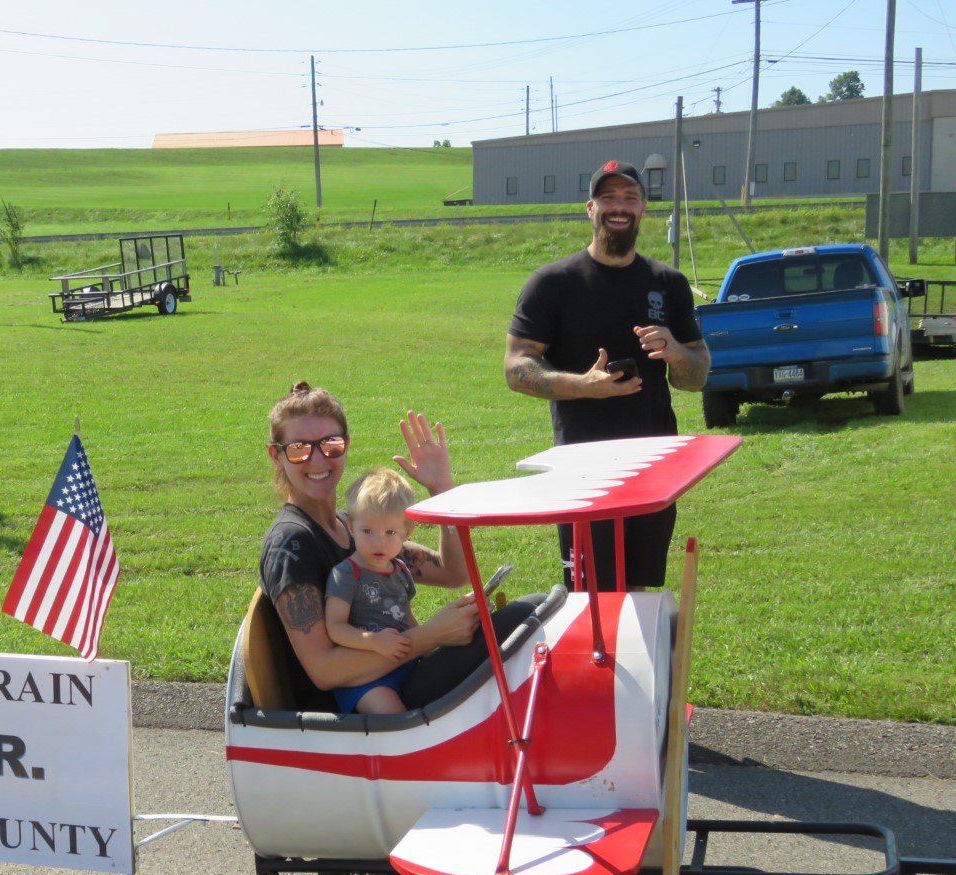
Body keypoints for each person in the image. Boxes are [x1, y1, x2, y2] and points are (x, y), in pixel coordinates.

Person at [259, 381, 536, 714]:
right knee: (521, 617)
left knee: (529, 609)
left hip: (402, 673)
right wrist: (431, 636)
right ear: (276, 455)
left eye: (330, 444)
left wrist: (442, 489)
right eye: (300, 448)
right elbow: (323, 671)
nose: (318, 459)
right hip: (363, 707)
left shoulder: (355, 528)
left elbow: (454, 573)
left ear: (346, 445)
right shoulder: (291, 544)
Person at [504, 160, 711, 590]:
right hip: (582, 471)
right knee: (589, 596)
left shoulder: (668, 283)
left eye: (630, 198)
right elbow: (516, 366)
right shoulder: (552, 283)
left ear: (643, 209)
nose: (620, 207)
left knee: (639, 590)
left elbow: (696, 378)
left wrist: (675, 352)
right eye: (609, 198)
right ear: (590, 207)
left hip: (653, 467)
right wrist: (582, 387)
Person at [324, 468, 421, 714]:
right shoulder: (346, 574)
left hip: (404, 662)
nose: (378, 542)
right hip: (365, 678)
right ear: (351, 527)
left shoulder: (399, 570)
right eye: (367, 531)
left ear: (407, 532)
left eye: (390, 532)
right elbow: (335, 628)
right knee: (394, 716)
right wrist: (374, 642)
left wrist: (428, 647)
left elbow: (407, 618)